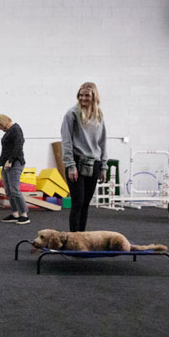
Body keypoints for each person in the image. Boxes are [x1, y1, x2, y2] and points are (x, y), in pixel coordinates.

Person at [60, 82, 107, 232]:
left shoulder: (99, 115)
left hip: (95, 163)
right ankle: (73, 239)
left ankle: (81, 238)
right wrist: (70, 165)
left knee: (86, 204)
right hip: (77, 162)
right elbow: (66, 141)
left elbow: (103, 141)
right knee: (78, 203)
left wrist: (104, 166)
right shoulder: (71, 114)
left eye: (86, 95)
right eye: (80, 95)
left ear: (94, 96)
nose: (83, 98)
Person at [0, 113, 29, 225]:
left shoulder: (16, 129)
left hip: (15, 163)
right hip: (6, 164)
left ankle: (24, 214)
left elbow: (18, 145)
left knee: (14, 189)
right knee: (8, 190)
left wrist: (10, 160)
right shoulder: (9, 132)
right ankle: (15, 214)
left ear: (2, 123)